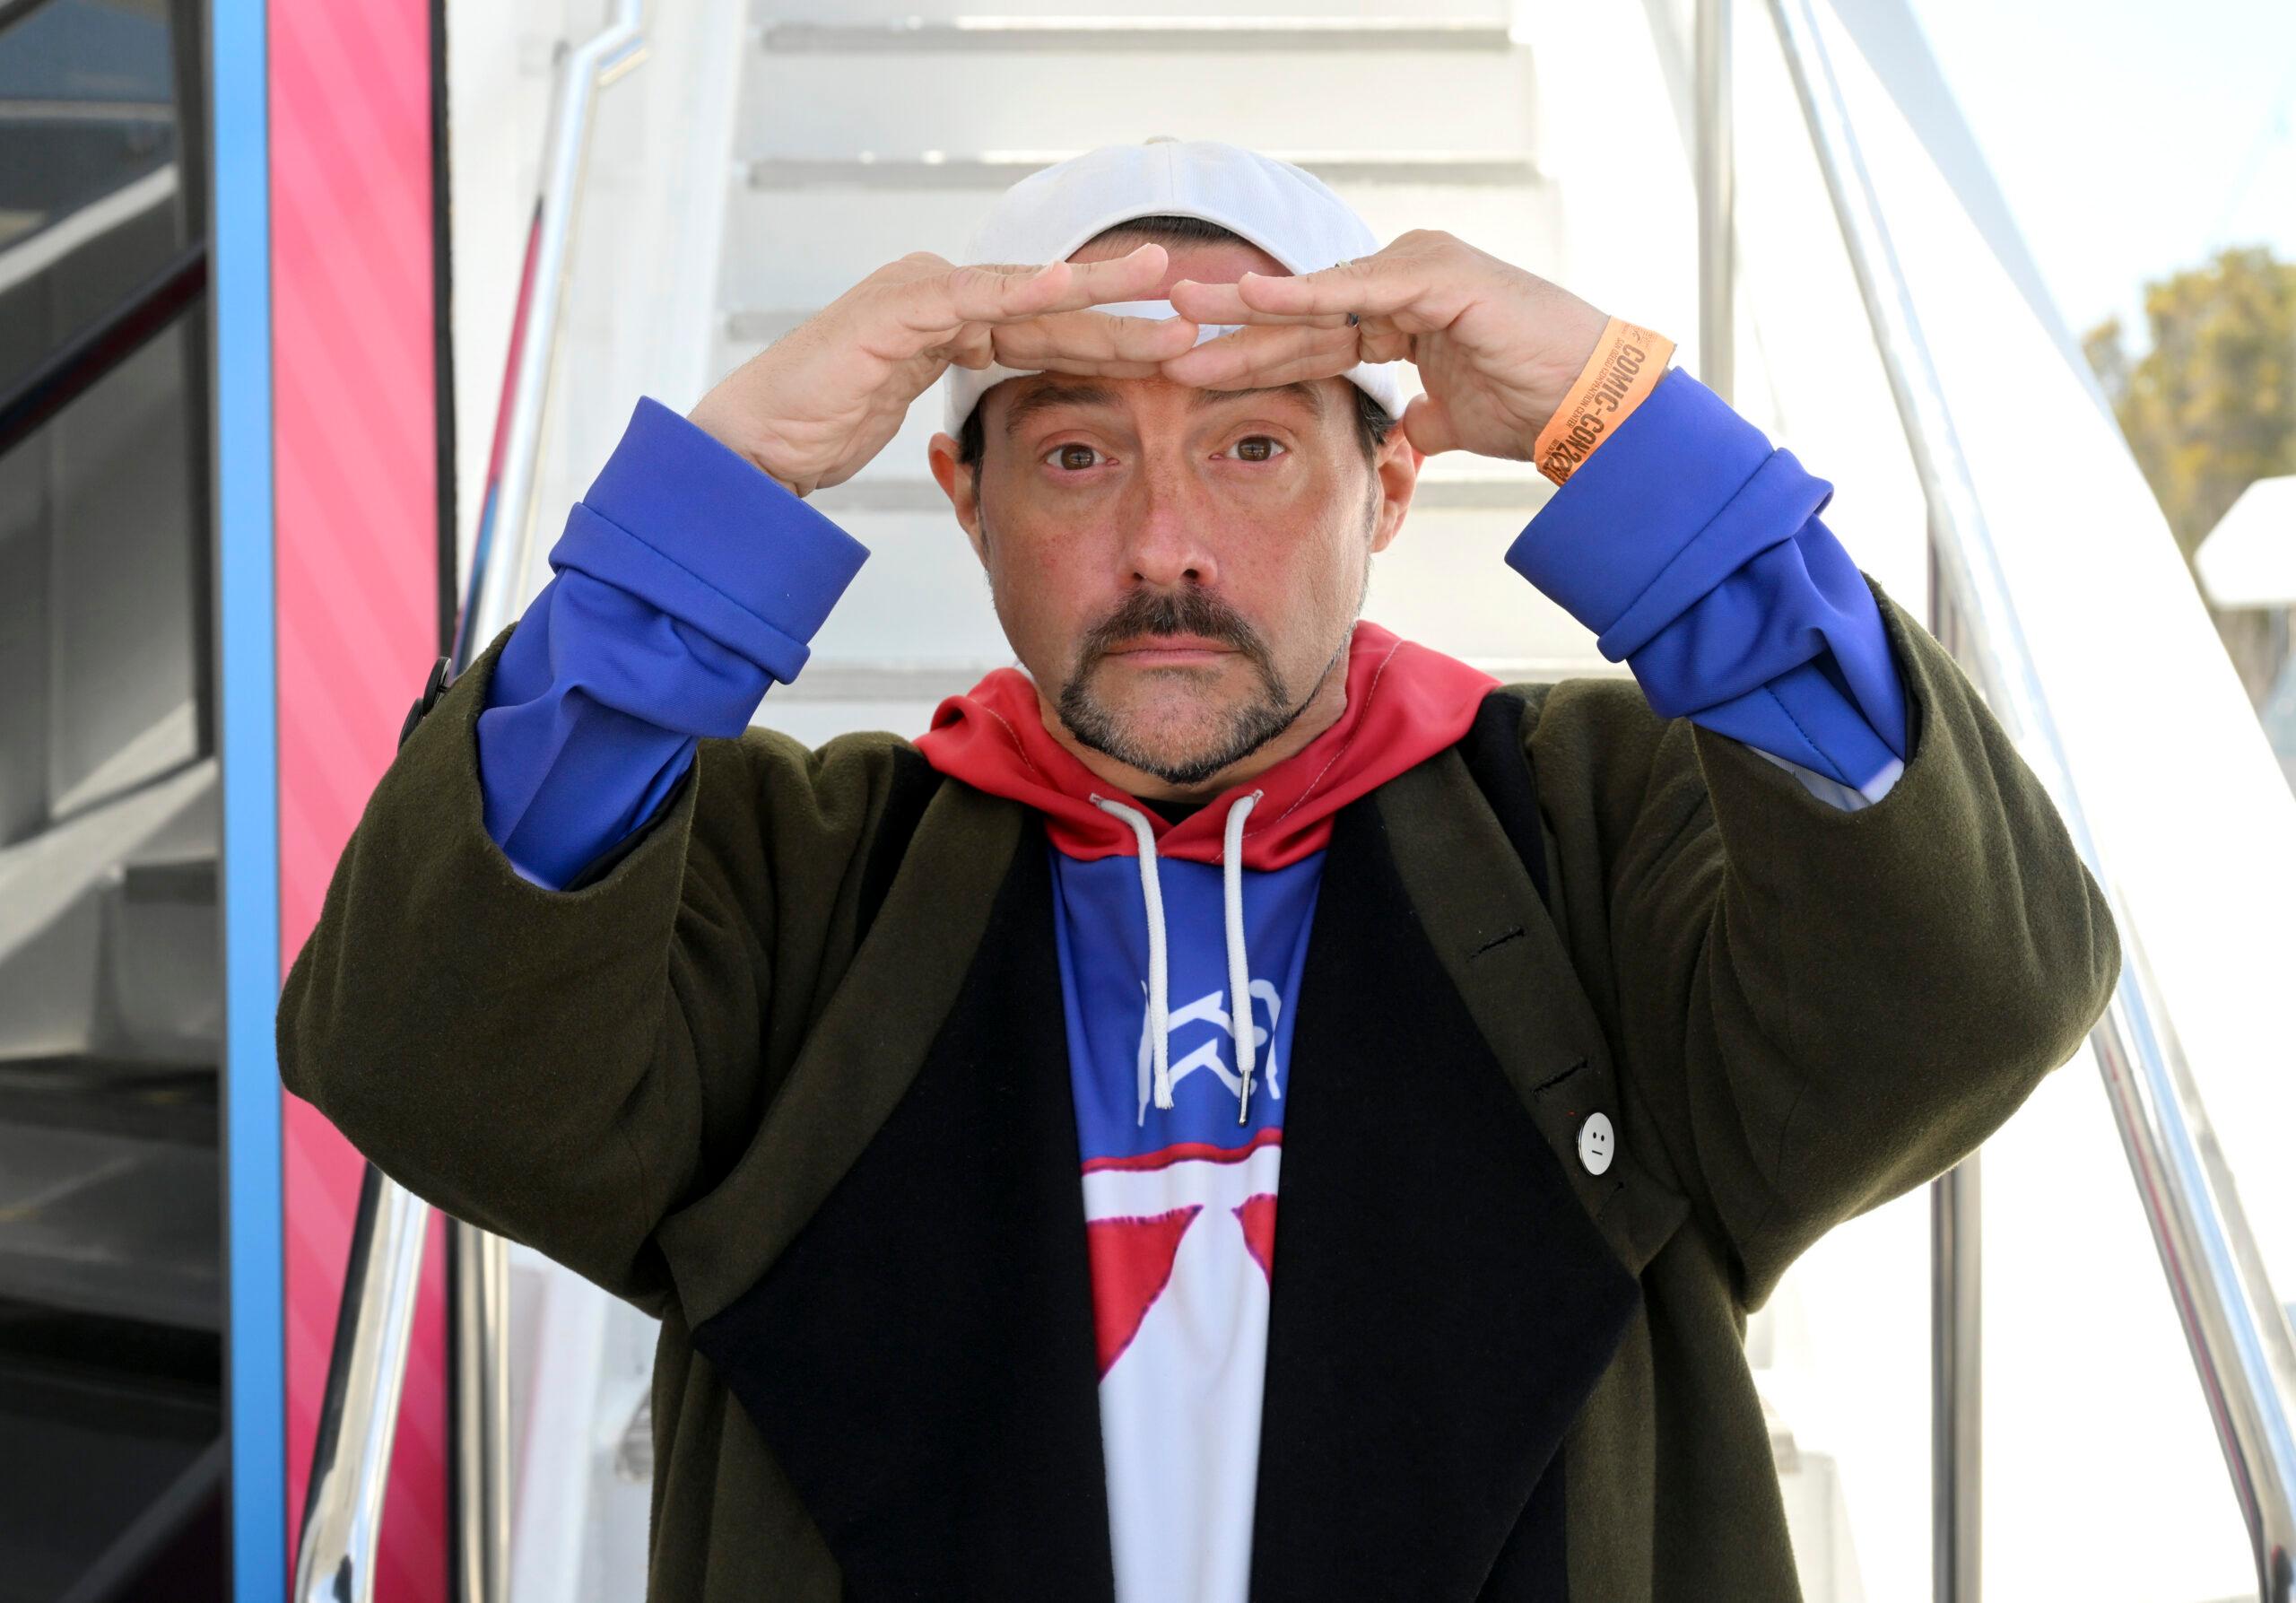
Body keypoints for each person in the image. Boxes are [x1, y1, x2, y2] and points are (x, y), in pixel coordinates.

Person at [278, 137, 2119, 1602]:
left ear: (1387, 489)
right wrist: (722, 488)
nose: (1166, 544)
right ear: (967, 503)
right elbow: (427, 1055)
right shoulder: (789, 879)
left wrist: (1618, 419)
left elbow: (1966, 987)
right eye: (1078, 454)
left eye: (1251, 448)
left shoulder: (1598, 824)